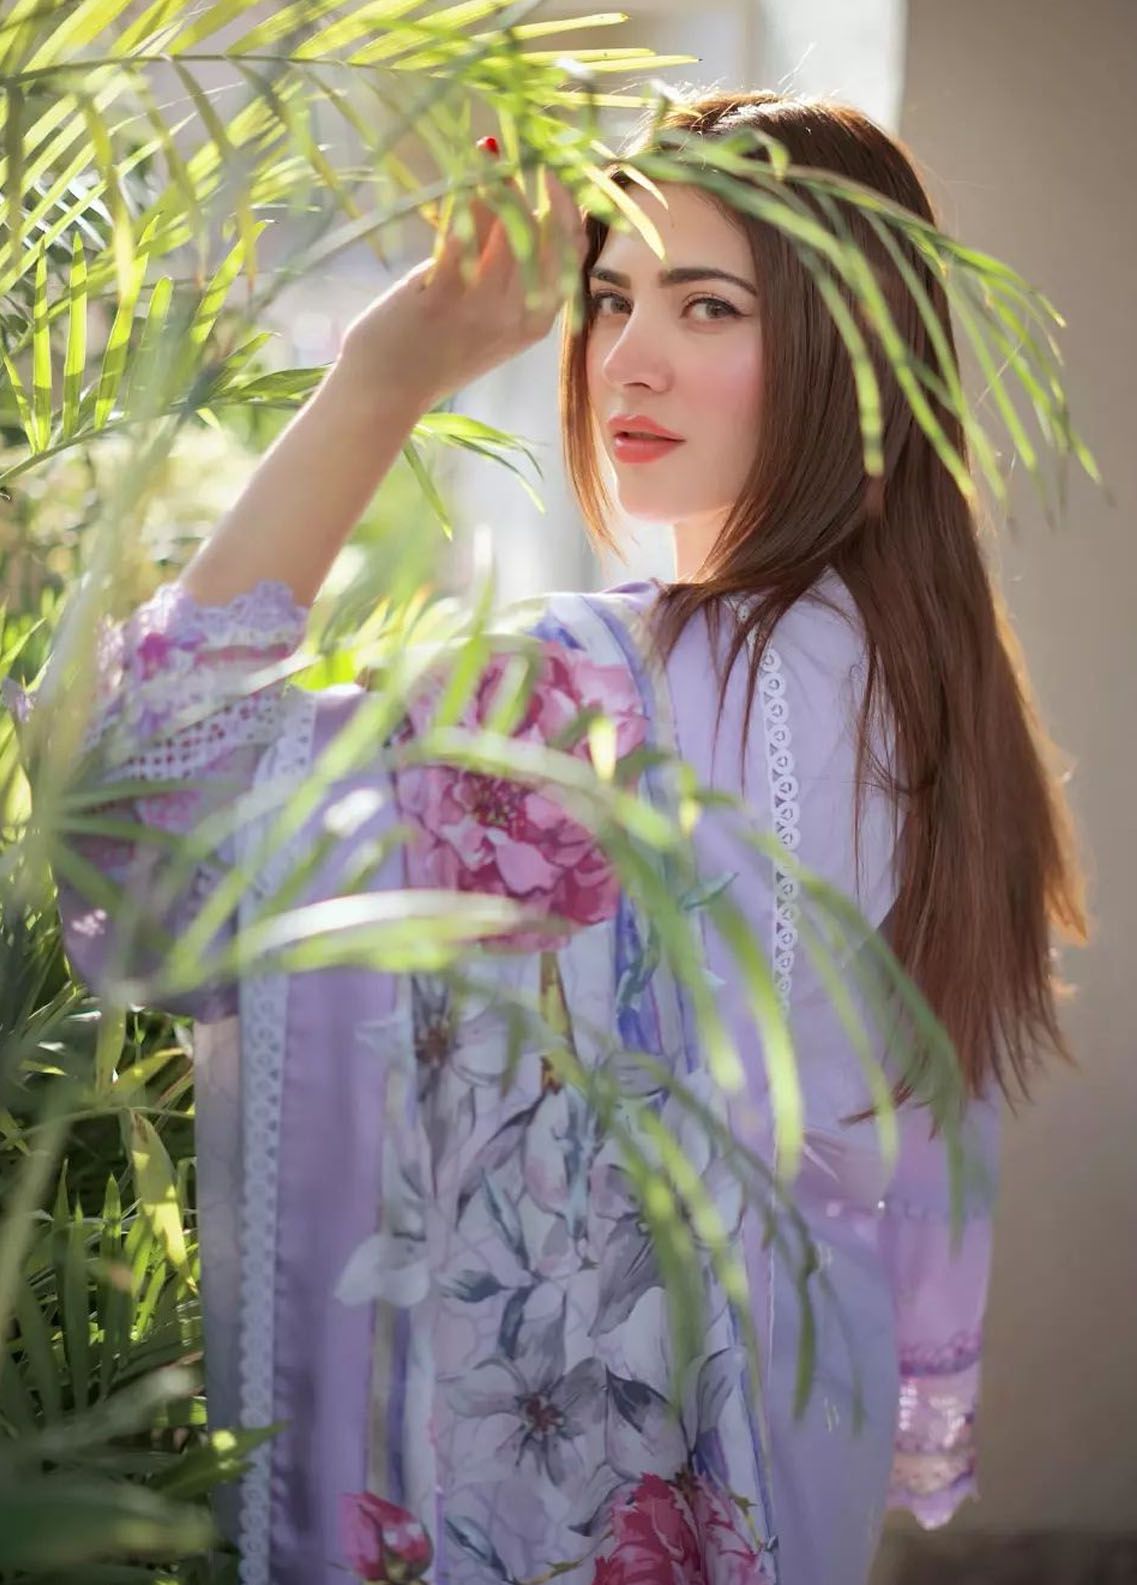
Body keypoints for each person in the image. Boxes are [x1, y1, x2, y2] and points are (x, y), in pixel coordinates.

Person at [26, 90, 1087, 1585]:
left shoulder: (585, 699)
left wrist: (383, 377)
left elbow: (149, 828)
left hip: (590, 1503)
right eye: (611, 299)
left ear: (851, 353)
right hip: (792, 1450)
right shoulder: (928, 688)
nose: (627, 357)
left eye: (708, 306)